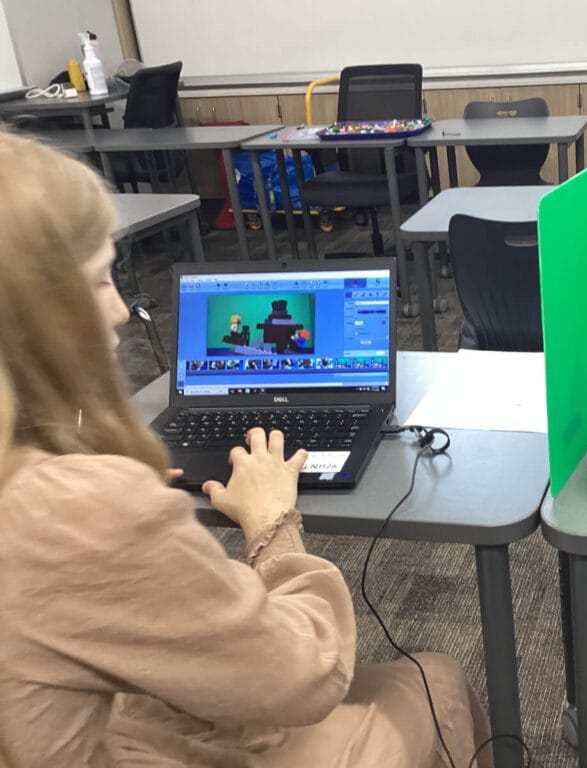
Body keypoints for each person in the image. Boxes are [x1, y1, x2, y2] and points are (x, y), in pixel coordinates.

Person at [0, 131, 492, 768]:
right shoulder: (77, 512)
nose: (122, 311)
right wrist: (271, 525)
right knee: (436, 678)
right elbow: (309, 677)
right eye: (99, 282)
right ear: (39, 318)